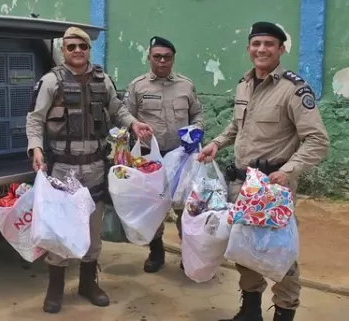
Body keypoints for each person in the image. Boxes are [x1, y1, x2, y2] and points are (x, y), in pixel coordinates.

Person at [197, 21, 330, 321]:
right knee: (244, 247)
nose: (262, 49)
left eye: (269, 44)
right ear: (248, 48)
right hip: (242, 183)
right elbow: (236, 124)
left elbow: (318, 140)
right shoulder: (244, 83)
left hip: (273, 188)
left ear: (281, 49)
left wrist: (289, 170)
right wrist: (217, 144)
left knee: (279, 253)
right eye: (256, 44)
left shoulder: (293, 90)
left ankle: (284, 312)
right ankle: (250, 310)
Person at [26, 26, 154, 314]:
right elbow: (35, 119)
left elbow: (118, 110)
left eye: (82, 46)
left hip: (95, 166)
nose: (77, 51)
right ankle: (55, 288)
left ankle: (87, 283)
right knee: (60, 229)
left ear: (88, 49)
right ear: (63, 50)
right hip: (63, 168)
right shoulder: (50, 82)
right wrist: (35, 148)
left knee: (92, 228)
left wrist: (133, 123)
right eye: (71, 47)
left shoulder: (103, 80)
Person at [124, 36, 204, 273]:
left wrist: (197, 131)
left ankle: (188, 253)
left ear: (173, 59)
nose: (162, 61)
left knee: (185, 209)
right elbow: (125, 116)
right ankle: (156, 252)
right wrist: (133, 130)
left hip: (182, 158)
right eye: (157, 56)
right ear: (149, 57)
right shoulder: (137, 86)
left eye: (167, 57)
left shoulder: (185, 85)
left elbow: (198, 115)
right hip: (151, 159)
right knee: (154, 208)